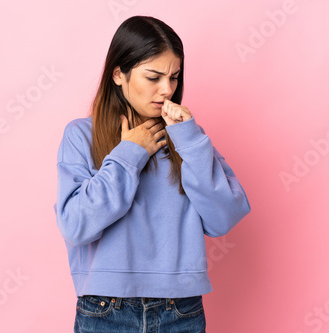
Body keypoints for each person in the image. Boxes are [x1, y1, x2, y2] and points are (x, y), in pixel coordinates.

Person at [54, 15, 251, 333]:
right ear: (119, 74)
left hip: (181, 308)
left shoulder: (187, 137)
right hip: (106, 310)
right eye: (153, 77)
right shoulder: (81, 135)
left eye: (174, 77)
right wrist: (130, 153)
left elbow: (223, 217)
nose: (167, 90)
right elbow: (76, 226)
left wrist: (188, 140)